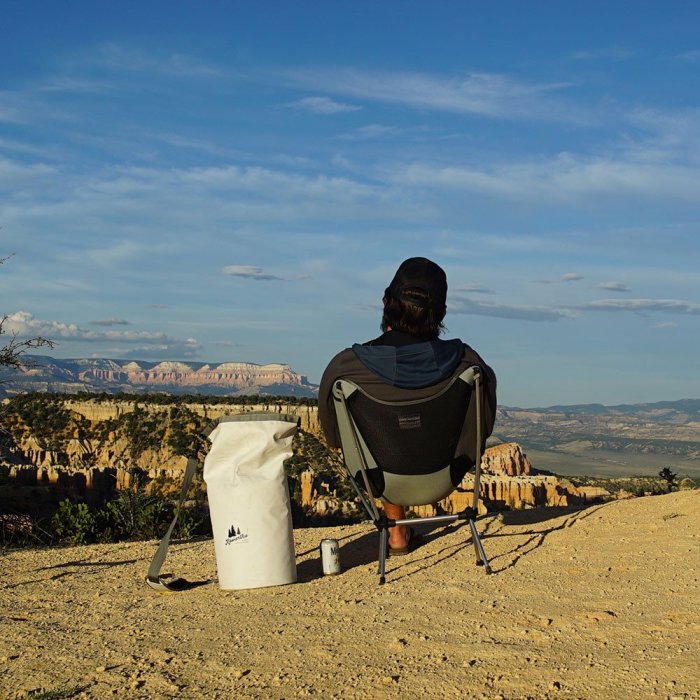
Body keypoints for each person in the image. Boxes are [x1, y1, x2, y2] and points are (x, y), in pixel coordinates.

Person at [319, 257, 497, 554]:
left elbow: (335, 438)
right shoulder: (468, 362)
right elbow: (483, 427)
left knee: (386, 439)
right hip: (445, 477)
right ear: (441, 313)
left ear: (386, 301)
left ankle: (396, 535)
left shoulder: (346, 368)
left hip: (382, 480)